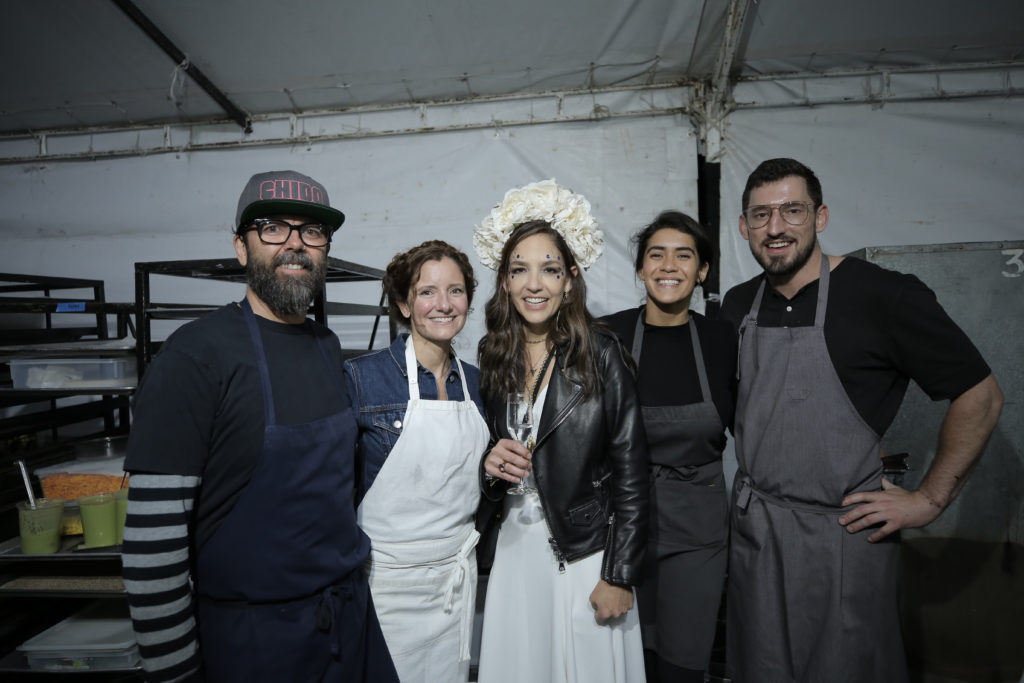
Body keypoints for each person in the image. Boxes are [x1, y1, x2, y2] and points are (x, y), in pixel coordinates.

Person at [719, 158, 1004, 683]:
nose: (775, 227)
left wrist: (929, 500)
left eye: (792, 211)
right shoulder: (737, 307)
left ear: (821, 217)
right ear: (743, 227)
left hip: (845, 536)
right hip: (759, 531)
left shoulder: (884, 295)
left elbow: (980, 396)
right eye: (761, 216)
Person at [122, 170, 398, 682]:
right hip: (256, 645)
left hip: (349, 624)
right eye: (273, 228)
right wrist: (177, 677)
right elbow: (151, 552)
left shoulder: (326, 346)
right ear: (241, 248)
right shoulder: (196, 354)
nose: (295, 245)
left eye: (312, 232)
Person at [472, 179, 649, 683]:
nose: (535, 284)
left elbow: (633, 476)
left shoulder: (602, 354)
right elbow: (487, 457)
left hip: (584, 552)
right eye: (519, 270)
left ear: (570, 279)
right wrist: (489, 471)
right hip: (513, 553)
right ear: (504, 281)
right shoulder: (491, 356)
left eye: (549, 270)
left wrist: (618, 574)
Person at [343, 240, 489, 682]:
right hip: (385, 585)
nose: (444, 305)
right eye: (427, 292)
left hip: (455, 580)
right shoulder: (361, 379)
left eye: (456, 291)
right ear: (404, 304)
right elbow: (332, 490)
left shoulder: (480, 384)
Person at [603, 210, 736, 683]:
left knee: (682, 663)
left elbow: (759, 428)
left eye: (684, 255)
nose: (668, 265)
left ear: (701, 271)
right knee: (623, 662)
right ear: (640, 269)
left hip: (696, 528)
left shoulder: (725, 341)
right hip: (620, 524)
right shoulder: (606, 336)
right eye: (655, 255)